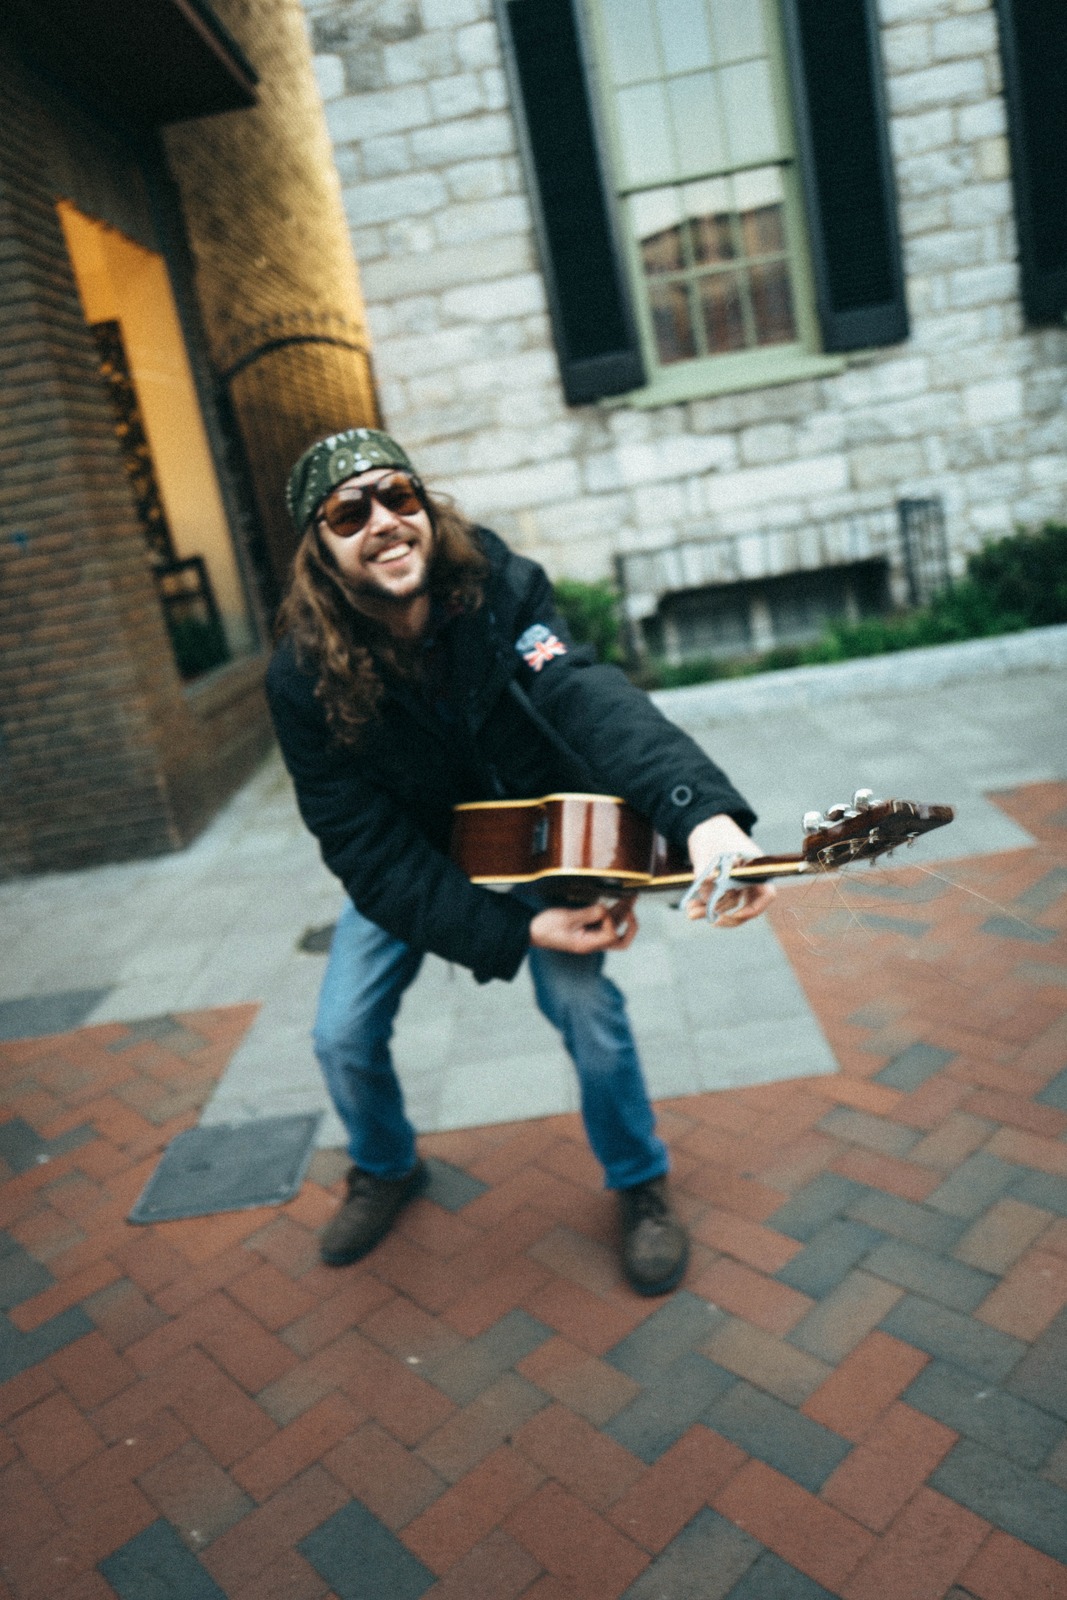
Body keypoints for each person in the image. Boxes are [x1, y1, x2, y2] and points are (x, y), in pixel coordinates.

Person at [267, 428, 774, 1296]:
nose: (383, 522)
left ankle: (639, 1181)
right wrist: (514, 929)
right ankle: (386, 1166)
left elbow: (582, 691)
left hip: (538, 828)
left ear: (424, 508)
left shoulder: (498, 589)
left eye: (399, 496)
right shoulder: (300, 679)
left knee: (586, 1011)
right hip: (420, 853)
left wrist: (702, 820)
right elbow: (364, 849)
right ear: (319, 547)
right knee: (340, 1033)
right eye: (349, 512)